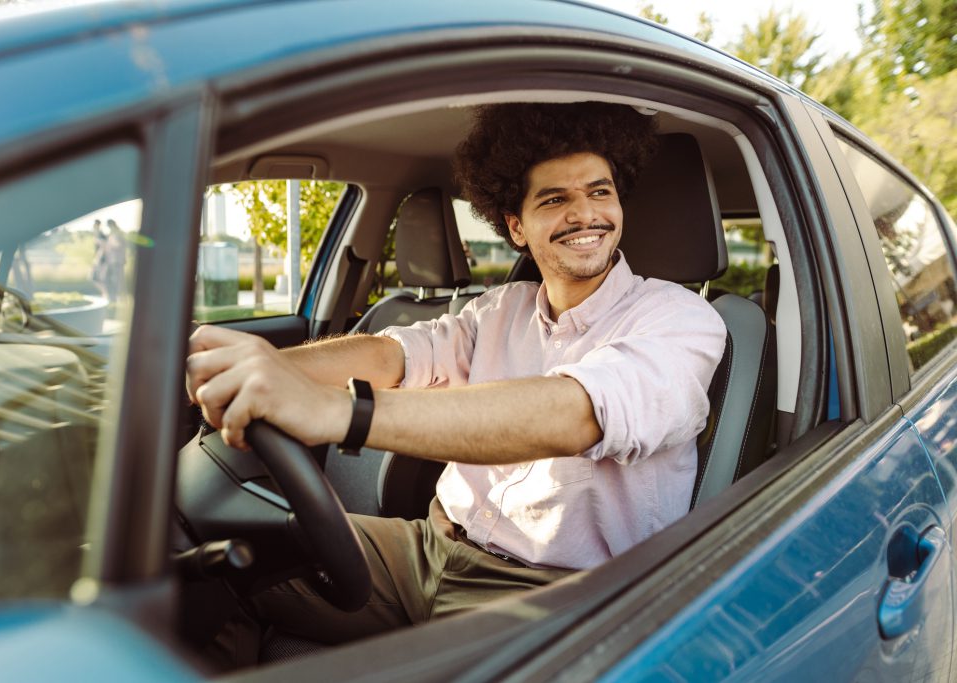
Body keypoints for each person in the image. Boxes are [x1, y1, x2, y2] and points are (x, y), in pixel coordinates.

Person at [186, 102, 727, 661]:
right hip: (428, 551)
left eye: (599, 191)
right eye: (554, 199)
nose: (585, 214)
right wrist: (262, 366)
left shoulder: (680, 320)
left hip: (559, 596)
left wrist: (340, 412)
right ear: (516, 227)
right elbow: (397, 354)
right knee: (215, 566)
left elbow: (580, 411)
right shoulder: (501, 308)